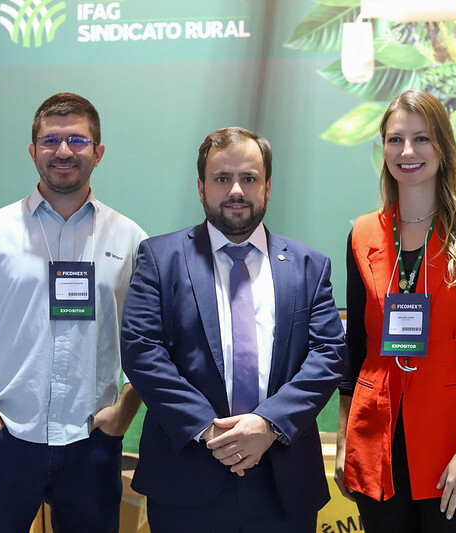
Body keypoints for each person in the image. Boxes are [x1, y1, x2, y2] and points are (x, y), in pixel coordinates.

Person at [120, 127, 346, 532]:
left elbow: (328, 355)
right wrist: (210, 430)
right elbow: (141, 351)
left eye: (250, 178)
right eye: (222, 178)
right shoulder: (159, 257)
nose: (236, 190)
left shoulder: (309, 267)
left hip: (284, 482)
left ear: (268, 187)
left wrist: (267, 424)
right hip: (186, 477)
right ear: (201, 187)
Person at [0, 92, 147, 532]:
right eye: (50, 140)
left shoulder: (130, 239)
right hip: (5, 440)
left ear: (98, 152)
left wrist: (124, 413)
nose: (63, 151)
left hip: (92, 442)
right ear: (34, 151)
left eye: (77, 140)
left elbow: (149, 340)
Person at [335, 89, 456, 532]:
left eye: (422, 139)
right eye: (395, 140)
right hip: (377, 440)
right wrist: (344, 442)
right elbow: (355, 346)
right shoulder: (362, 234)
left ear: (443, 147)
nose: (407, 151)